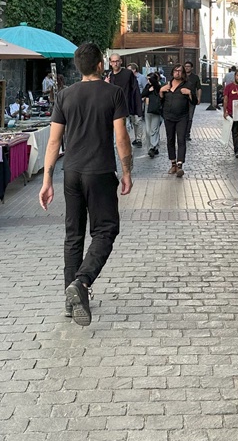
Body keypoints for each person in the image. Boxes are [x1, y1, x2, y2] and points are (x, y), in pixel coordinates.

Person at [39, 41, 132, 327]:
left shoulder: (64, 95)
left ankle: (70, 300)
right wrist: (127, 171)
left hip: (71, 172)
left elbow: (54, 141)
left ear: (79, 67)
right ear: (101, 65)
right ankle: (81, 282)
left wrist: (47, 180)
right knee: (106, 229)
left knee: (73, 234)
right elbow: (121, 137)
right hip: (100, 171)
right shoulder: (113, 93)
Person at [160, 65, 193, 176]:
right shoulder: (167, 85)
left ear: (183, 73)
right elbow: (160, 102)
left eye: (180, 71)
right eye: (175, 70)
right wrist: (161, 92)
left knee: (181, 139)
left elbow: (194, 101)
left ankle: (179, 165)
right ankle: (173, 163)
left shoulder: (187, 85)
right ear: (172, 72)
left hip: (182, 117)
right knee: (170, 139)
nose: (177, 73)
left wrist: (189, 93)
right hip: (168, 116)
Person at [107, 53, 143, 147]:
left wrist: (137, 106)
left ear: (121, 61)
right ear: (110, 63)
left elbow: (135, 89)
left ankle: (132, 143)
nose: (115, 64)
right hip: (114, 108)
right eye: (113, 61)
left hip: (127, 106)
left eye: (117, 61)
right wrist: (106, 84)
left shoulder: (128, 74)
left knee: (129, 126)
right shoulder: (109, 76)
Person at [142, 72, 163, 157]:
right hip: (148, 108)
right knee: (148, 130)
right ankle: (151, 147)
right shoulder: (147, 86)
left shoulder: (158, 87)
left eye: (149, 79)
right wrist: (148, 90)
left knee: (154, 129)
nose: (148, 81)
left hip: (155, 109)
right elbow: (143, 94)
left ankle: (153, 147)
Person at [183, 60, 202, 140]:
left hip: (191, 99)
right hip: (182, 99)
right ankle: (182, 133)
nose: (186, 68)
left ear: (192, 68)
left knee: (190, 117)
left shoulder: (195, 77)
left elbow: (199, 88)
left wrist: (199, 98)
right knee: (182, 117)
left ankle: (187, 134)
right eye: (185, 66)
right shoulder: (182, 76)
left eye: (188, 66)